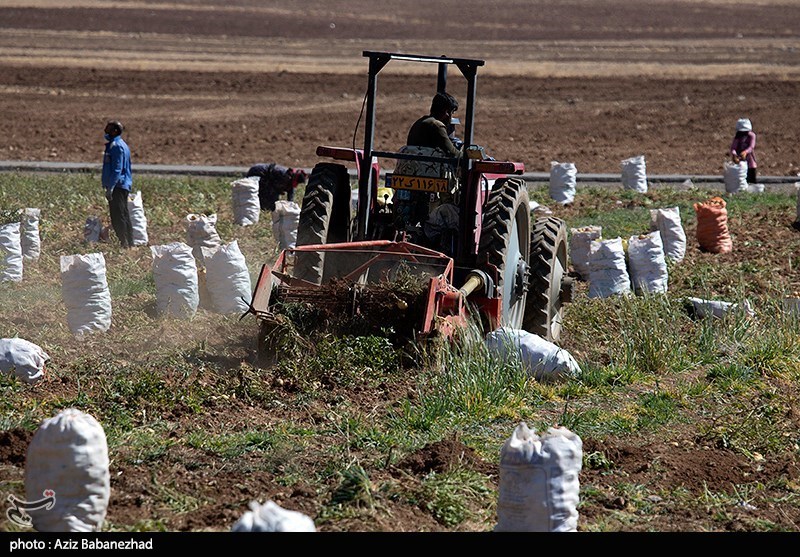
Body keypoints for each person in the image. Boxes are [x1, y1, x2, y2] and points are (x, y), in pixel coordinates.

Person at [101, 120, 134, 248]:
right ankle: (129, 243)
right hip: (121, 184)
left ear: (115, 131)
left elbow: (117, 169)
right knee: (123, 214)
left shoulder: (116, 146)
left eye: (109, 129)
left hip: (118, 185)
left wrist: (111, 187)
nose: (106, 131)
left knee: (118, 216)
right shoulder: (119, 144)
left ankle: (125, 243)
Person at [406, 91, 461, 157]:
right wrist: (469, 159)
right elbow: (452, 152)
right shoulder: (436, 125)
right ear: (446, 112)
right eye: (452, 112)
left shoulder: (421, 122)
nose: (451, 117)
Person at [730, 117, 758, 186]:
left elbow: (751, 146)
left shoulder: (751, 135)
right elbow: (733, 147)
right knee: (741, 174)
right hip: (740, 158)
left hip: (749, 157)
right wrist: (734, 154)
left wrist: (745, 152)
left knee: (751, 172)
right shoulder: (738, 136)